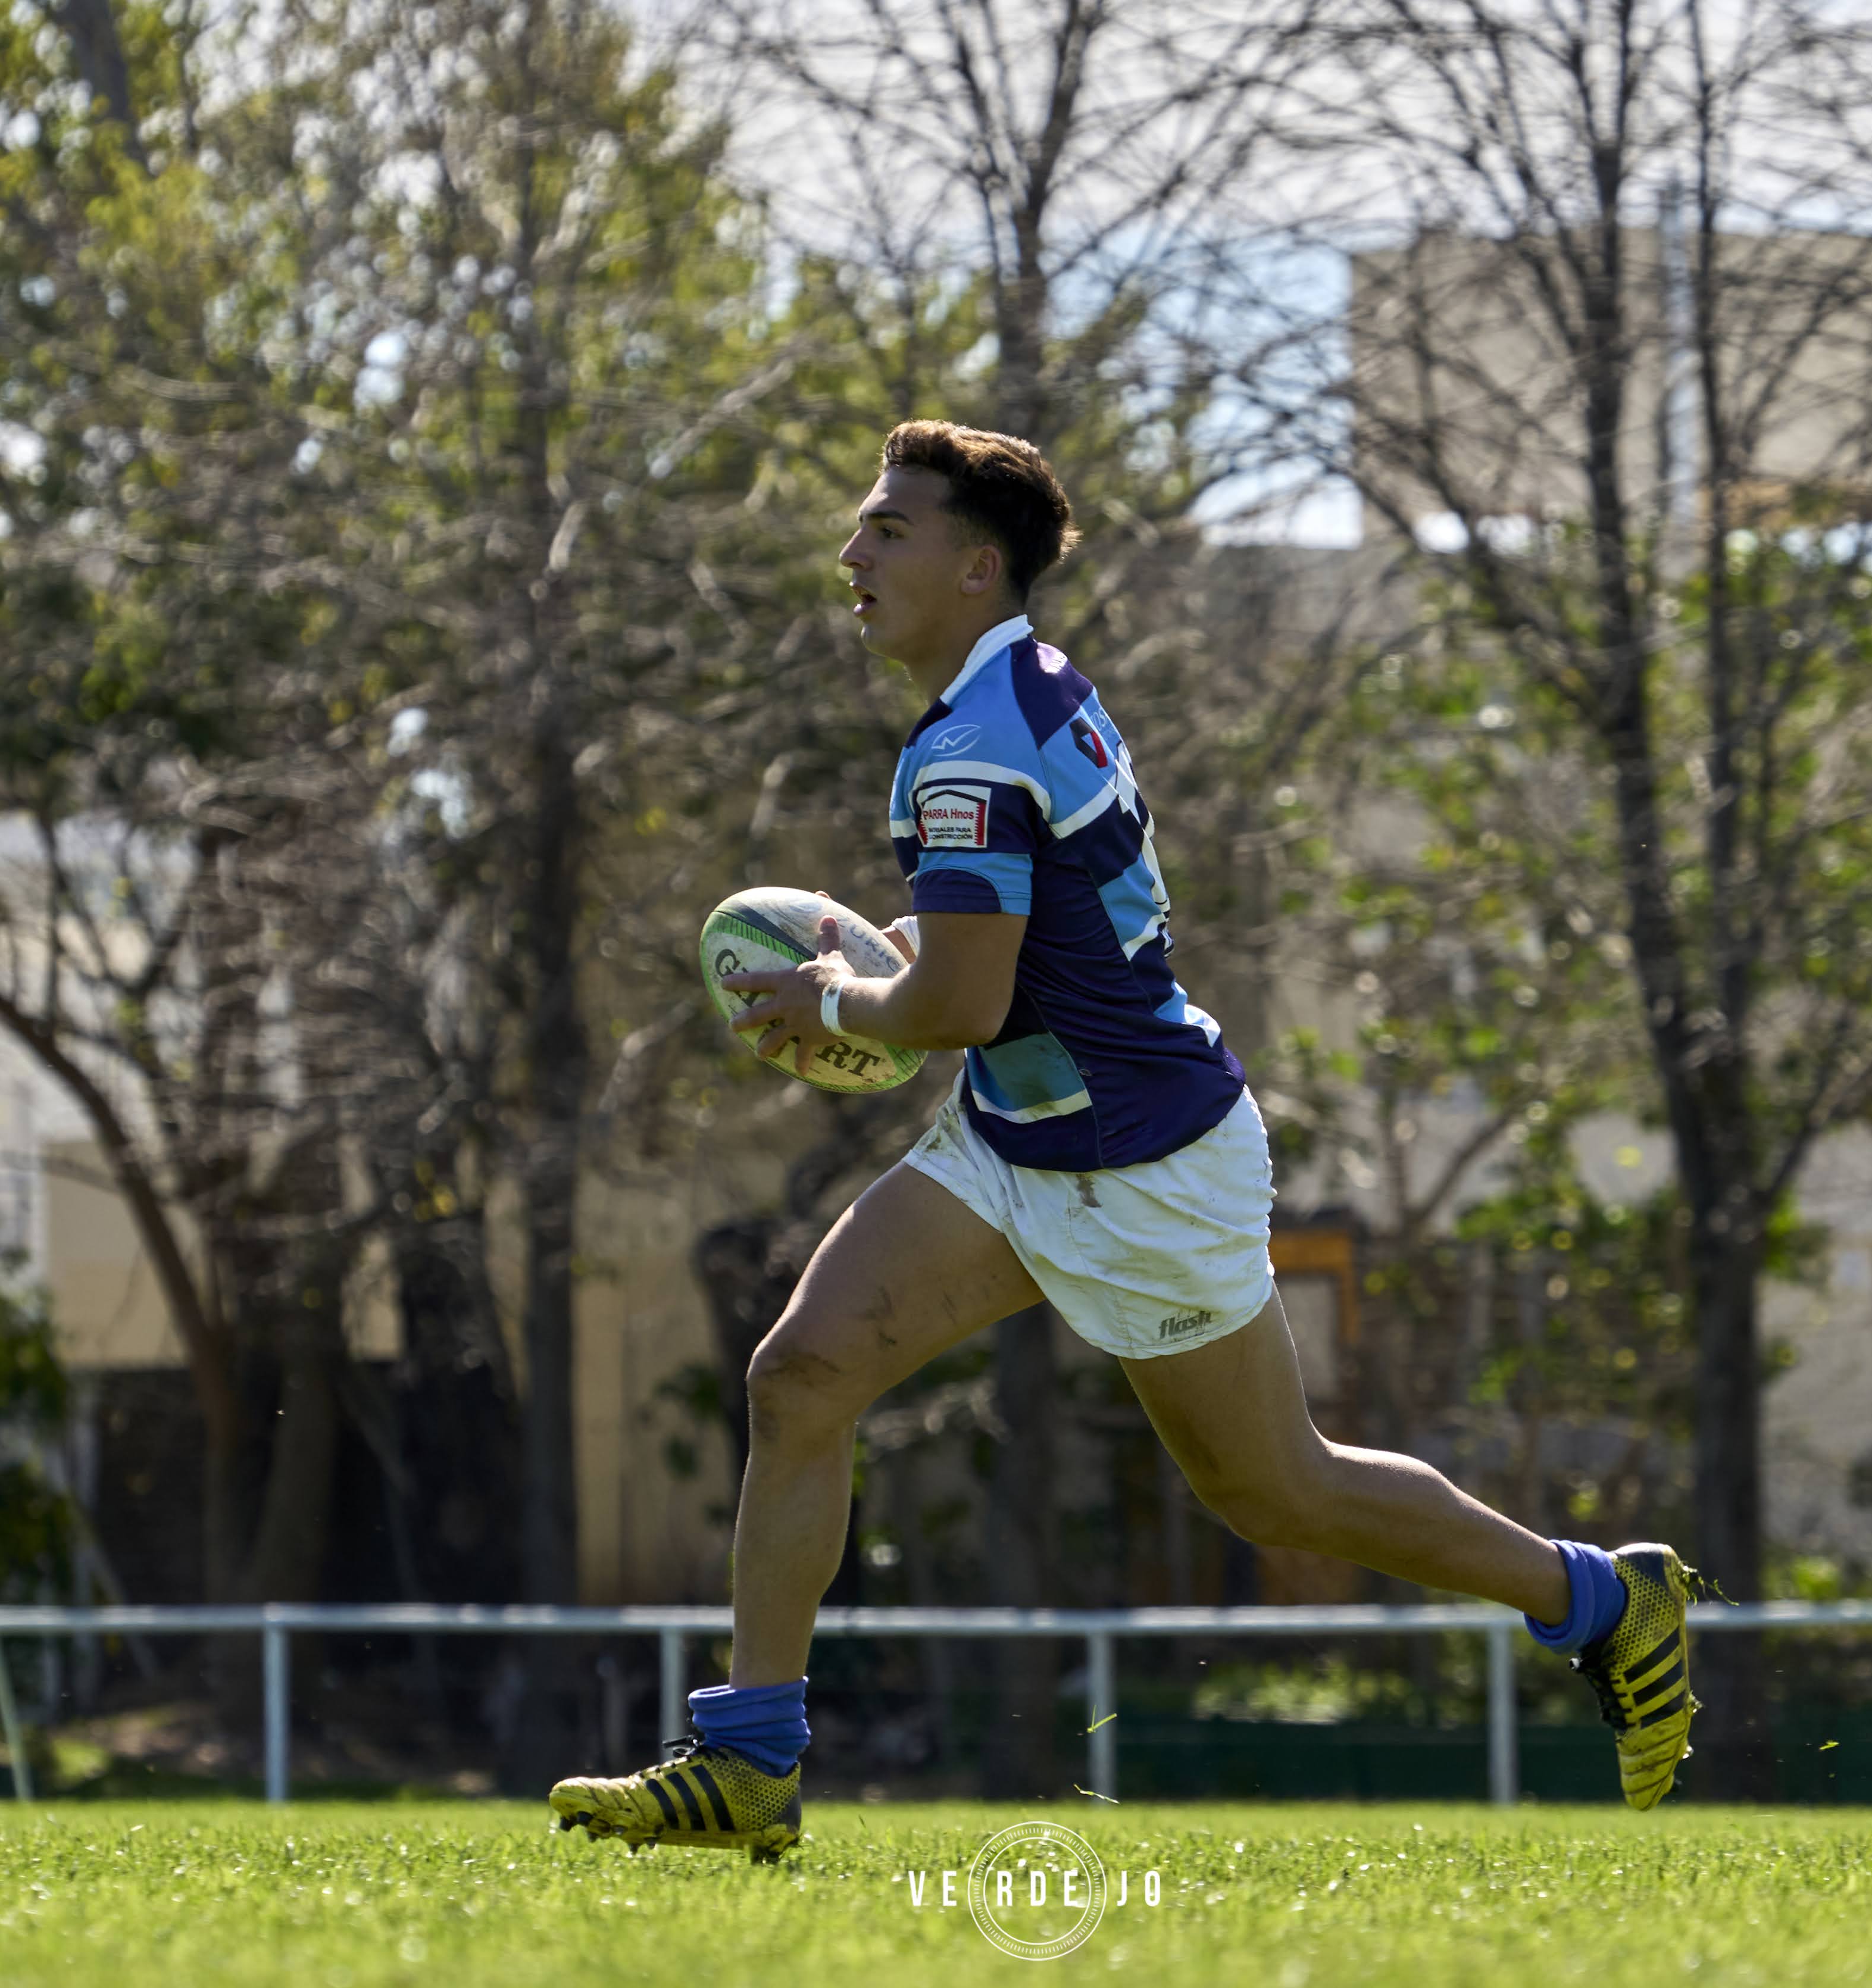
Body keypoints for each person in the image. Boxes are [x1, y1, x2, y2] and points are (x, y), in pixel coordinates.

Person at [549, 421, 1704, 1861]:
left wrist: (840, 994)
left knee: (1272, 1487)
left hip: (1138, 1168)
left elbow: (962, 1003)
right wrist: (906, 965)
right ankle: (747, 1760)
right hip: (1018, 1136)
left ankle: (1601, 1599)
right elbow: (1046, 941)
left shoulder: (970, 742)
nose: (852, 554)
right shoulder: (1019, 688)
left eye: (886, 530)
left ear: (978, 566)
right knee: (800, 1376)